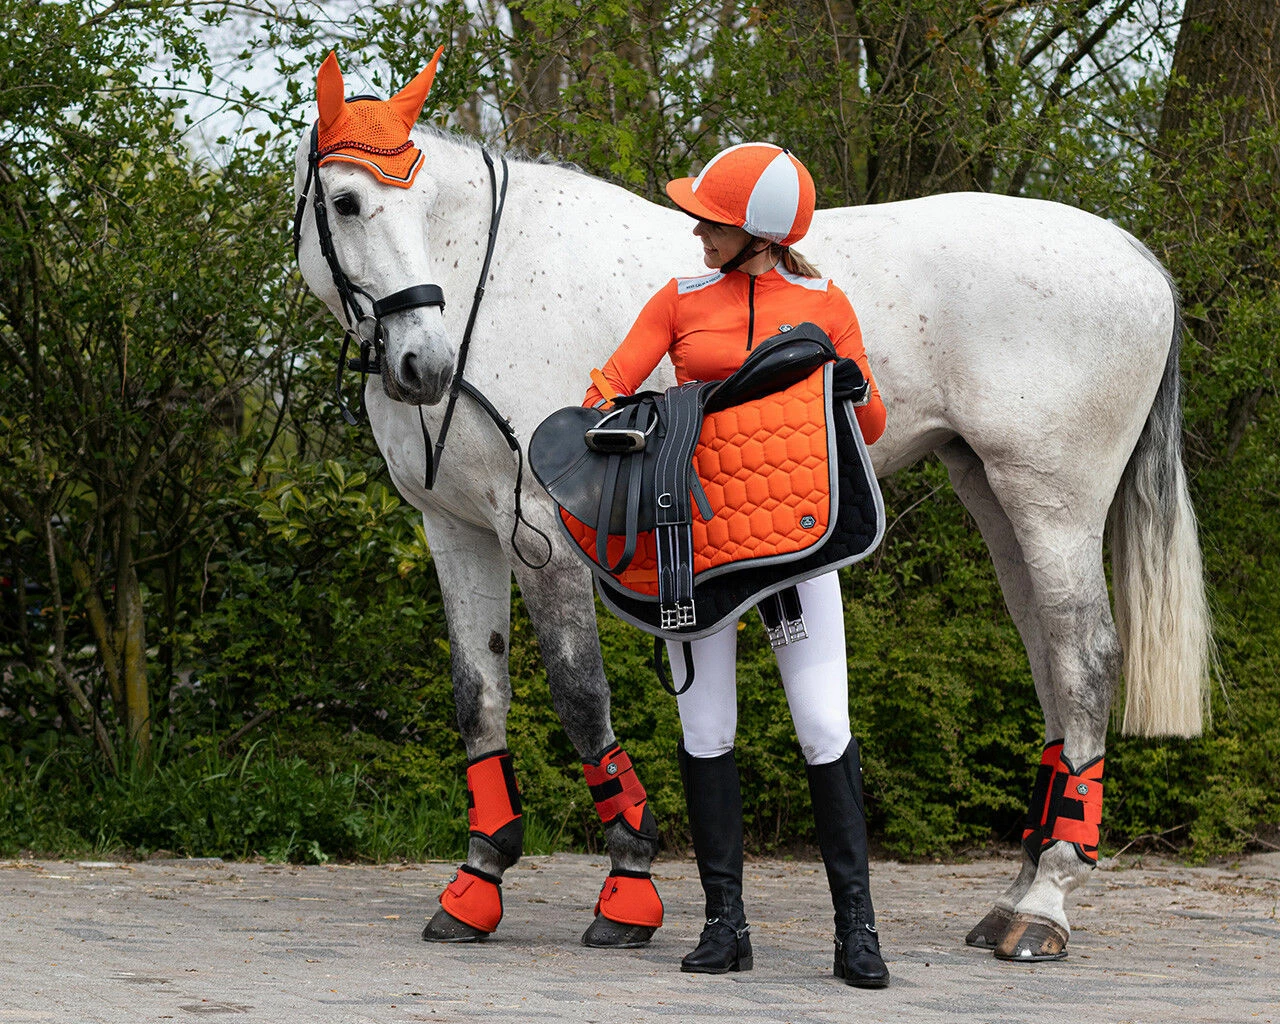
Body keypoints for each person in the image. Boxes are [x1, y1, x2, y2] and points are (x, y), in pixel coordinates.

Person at [581, 143, 890, 987]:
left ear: (760, 235)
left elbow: (870, 429)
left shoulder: (825, 304)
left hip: (794, 545)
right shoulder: (678, 300)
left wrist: (854, 391)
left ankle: (856, 931)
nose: (697, 231)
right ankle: (725, 925)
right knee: (706, 730)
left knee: (824, 729)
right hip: (697, 546)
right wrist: (627, 417)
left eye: (711, 221)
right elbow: (604, 388)